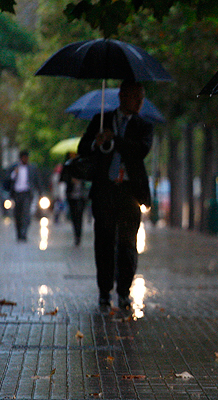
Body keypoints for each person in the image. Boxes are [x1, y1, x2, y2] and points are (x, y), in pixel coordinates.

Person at [78, 80, 153, 310]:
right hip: (105, 190)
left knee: (128, 245)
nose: (140, 103)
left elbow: (139, 151)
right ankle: (104, 291)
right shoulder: (101, 121)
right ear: (122, 96)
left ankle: (123, 291)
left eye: (142, 98)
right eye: (135, 97)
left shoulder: (143, 125)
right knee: (104, 242)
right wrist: (97, 141)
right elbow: (83, 149)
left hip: (130, 193)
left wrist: (115, 139)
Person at [6, 150, 42, 242]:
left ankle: (24, 233)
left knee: (26, 214)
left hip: (27, 193)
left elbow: (37, 180)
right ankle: (18, 233)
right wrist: (15, 173)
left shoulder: (32, 168)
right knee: (17, 214)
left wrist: (40, 192)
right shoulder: (15, 167)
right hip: (17, 194)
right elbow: (9, 179)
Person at [60, 152, 88, 246]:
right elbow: (62, 178)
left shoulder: (83, 165)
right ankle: (76, 234)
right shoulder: (67, 166)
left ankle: (79, 234)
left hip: (81, 195)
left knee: (79, 214)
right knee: (74, 215)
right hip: (71, 195)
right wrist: (70, 180)